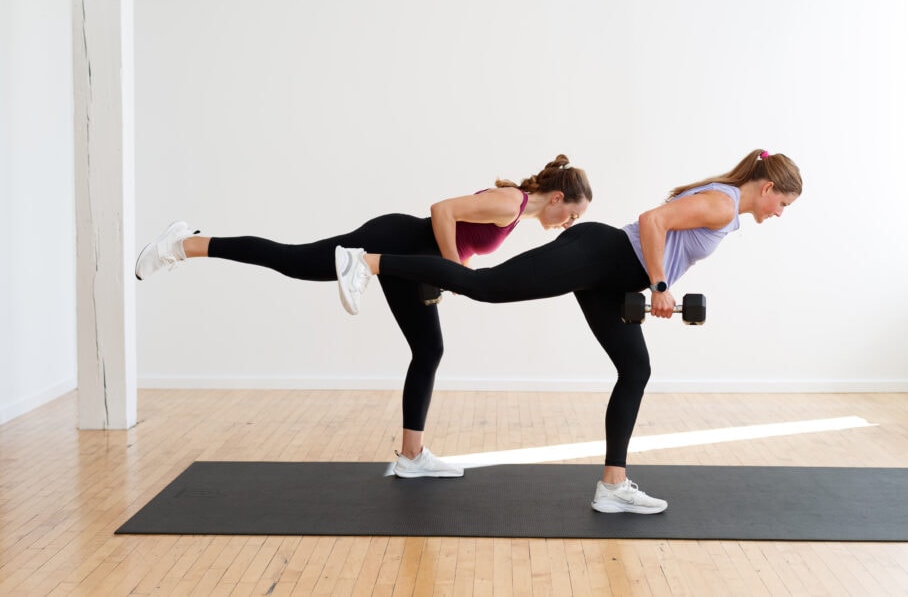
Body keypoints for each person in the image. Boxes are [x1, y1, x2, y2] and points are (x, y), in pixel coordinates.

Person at [335, 149, 802, 514]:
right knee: (485, 286)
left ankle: (613, 487)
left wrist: (654, 283)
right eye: (782, 203)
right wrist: (659, 284)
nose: (780, 213)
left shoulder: (725, 204)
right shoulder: (723, 205)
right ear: (766, 187)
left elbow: (663, 234)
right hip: (601, 255)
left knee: (635, 369)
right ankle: (369, 262)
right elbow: (651, 221)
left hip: (612, 275)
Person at [135, 155, 592, 478]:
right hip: (391, 242)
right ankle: (183, 244)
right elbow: (442, 210)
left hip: (406, 261)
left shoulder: (514, 214)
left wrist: (453, 266)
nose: (568, 223)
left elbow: (457, 236)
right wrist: (451, 267)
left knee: (429, 349)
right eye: (572, 214)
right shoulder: (510, 202)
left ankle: (412, 457)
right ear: (556, 198)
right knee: (293, 260)